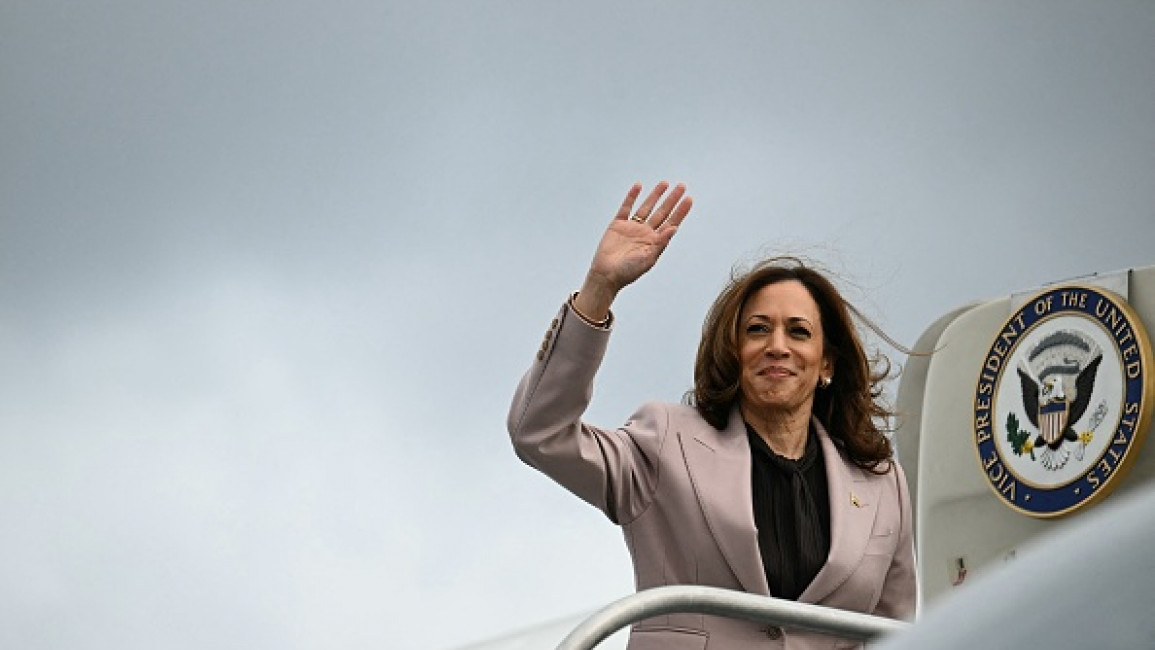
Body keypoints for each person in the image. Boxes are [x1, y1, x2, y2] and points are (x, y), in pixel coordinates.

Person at [508, 181, 916, 649]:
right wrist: (600, 289)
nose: (777, 346)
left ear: (827, 362)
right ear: (733, 351)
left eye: (799, 332)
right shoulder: (666, 441)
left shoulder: (884, 487)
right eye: (758, 330)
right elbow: (538, 433)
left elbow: (898, 635)